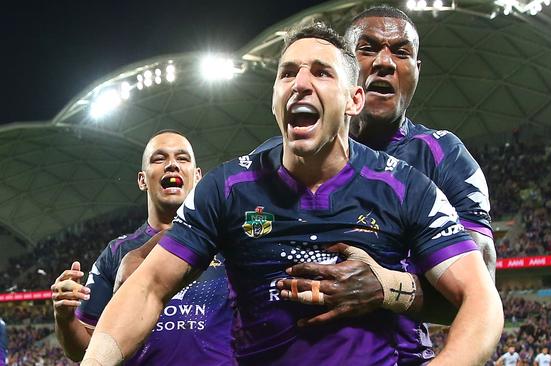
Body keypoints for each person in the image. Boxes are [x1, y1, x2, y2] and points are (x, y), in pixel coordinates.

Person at [80, 23, 502, 366]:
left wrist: (392, 292)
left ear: (354, 99)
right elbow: (149, 285)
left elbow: (481, 300)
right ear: (275, 100)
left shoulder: (407, 185)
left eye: (321, 72)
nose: (301, 83)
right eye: (288, 73)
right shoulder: (228, 187)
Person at [267, 5, 496, 364]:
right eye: (368, 48)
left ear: (416, 72)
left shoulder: (442, 156)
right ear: (342, 66)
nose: (385, 63)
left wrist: (384, 288)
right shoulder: (273, 161)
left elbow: (479, 291)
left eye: (401, 52)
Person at [51, 130, 235, 365]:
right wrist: (65, 318)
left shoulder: (228, 244)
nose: (172, 165)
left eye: (182, 158)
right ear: (142, 180)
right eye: (159, 159)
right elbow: (81, 351)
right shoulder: (116, 253)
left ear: (198, 176)